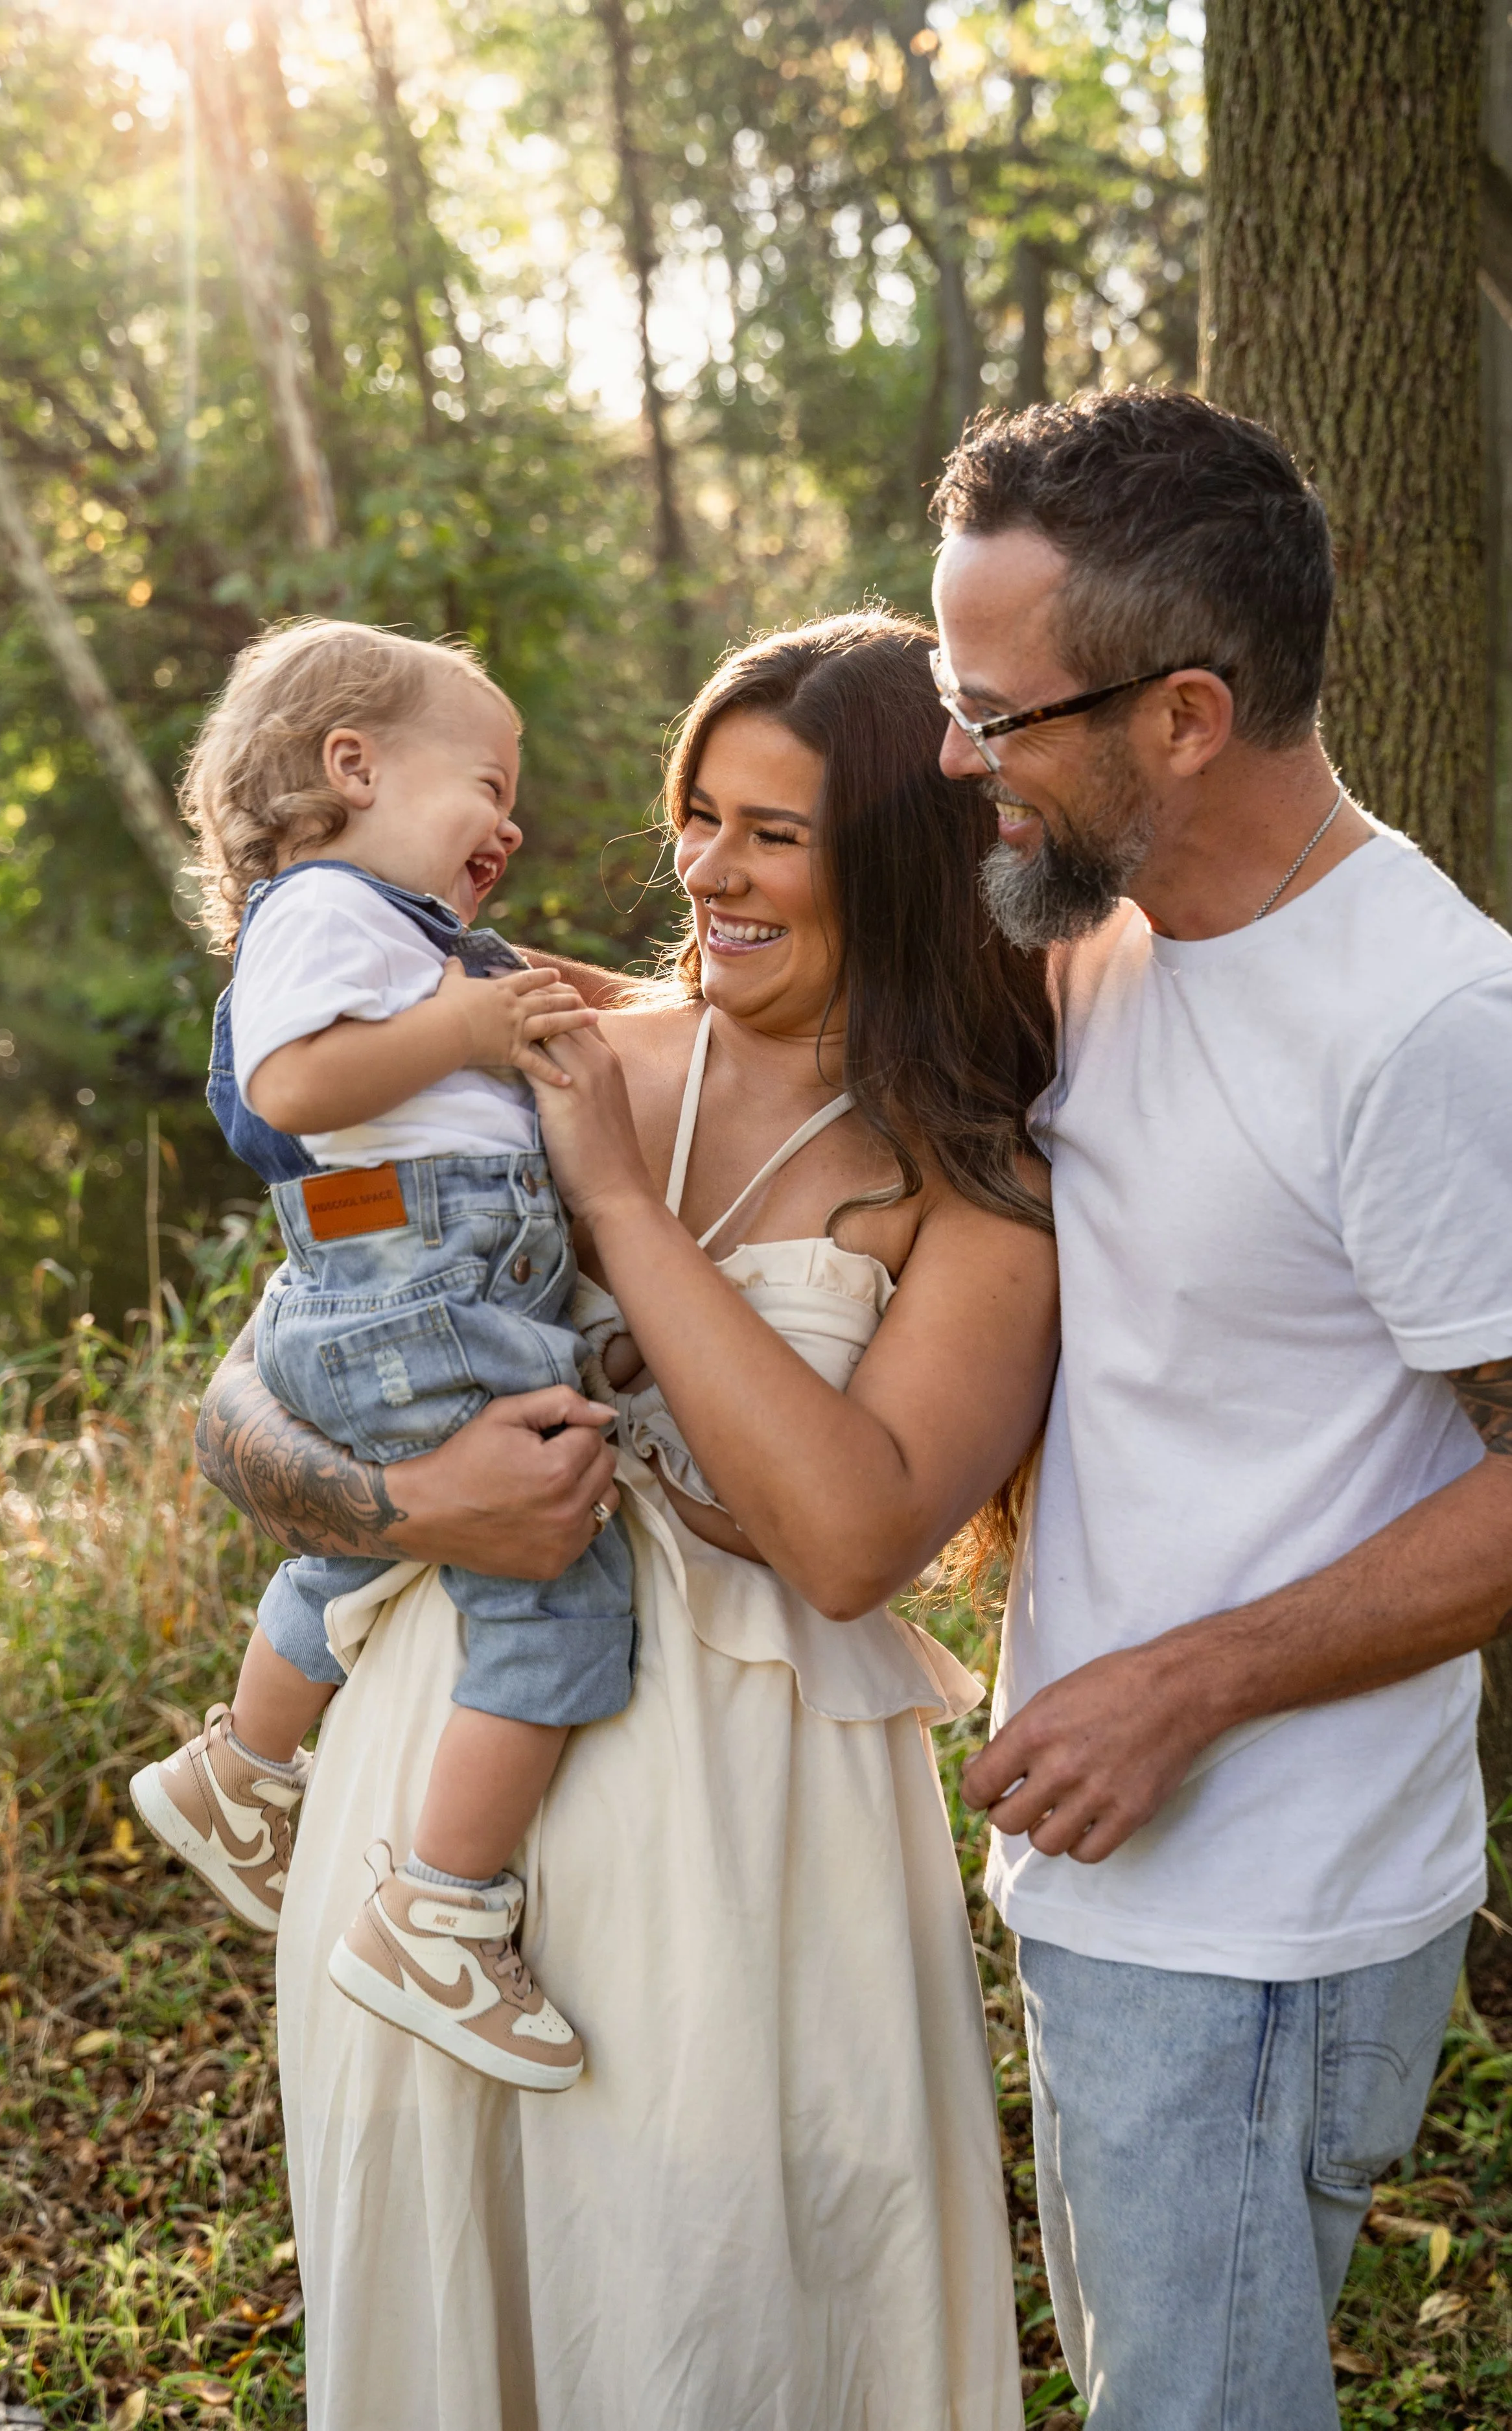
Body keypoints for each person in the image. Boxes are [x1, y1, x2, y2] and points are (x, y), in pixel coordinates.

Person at [192, 613, 1059, 2431]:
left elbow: (846, 1541)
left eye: (770, 832)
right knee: (456, 2316)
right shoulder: (539, 1026)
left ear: (895, 859)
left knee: (721, 2319)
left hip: (758, 1841)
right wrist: (407, 1497)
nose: (704, 871)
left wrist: (610, 1195)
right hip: (438, 1823)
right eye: (694, 814)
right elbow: (267, 1375)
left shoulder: (970, 1170)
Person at [931, 388, 1512, 2430]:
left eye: (994, 712)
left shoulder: (1423, 1022)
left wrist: (1188, 1681)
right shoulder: (1109, 933)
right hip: (1123, 1888)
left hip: (1259, 1909)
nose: (953, 752)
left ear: (1182, 713)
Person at [130, 618, 627, 2091]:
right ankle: (439, 1912)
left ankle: (238, 1771)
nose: (510, 820)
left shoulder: (393, 934)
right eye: (485, 780)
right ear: (351, 766)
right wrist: (468, 1027)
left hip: (390, 1273)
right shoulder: (332, 913)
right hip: (422, 1279)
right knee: (558, 1589)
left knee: (348, 1560)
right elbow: (293, 1082)